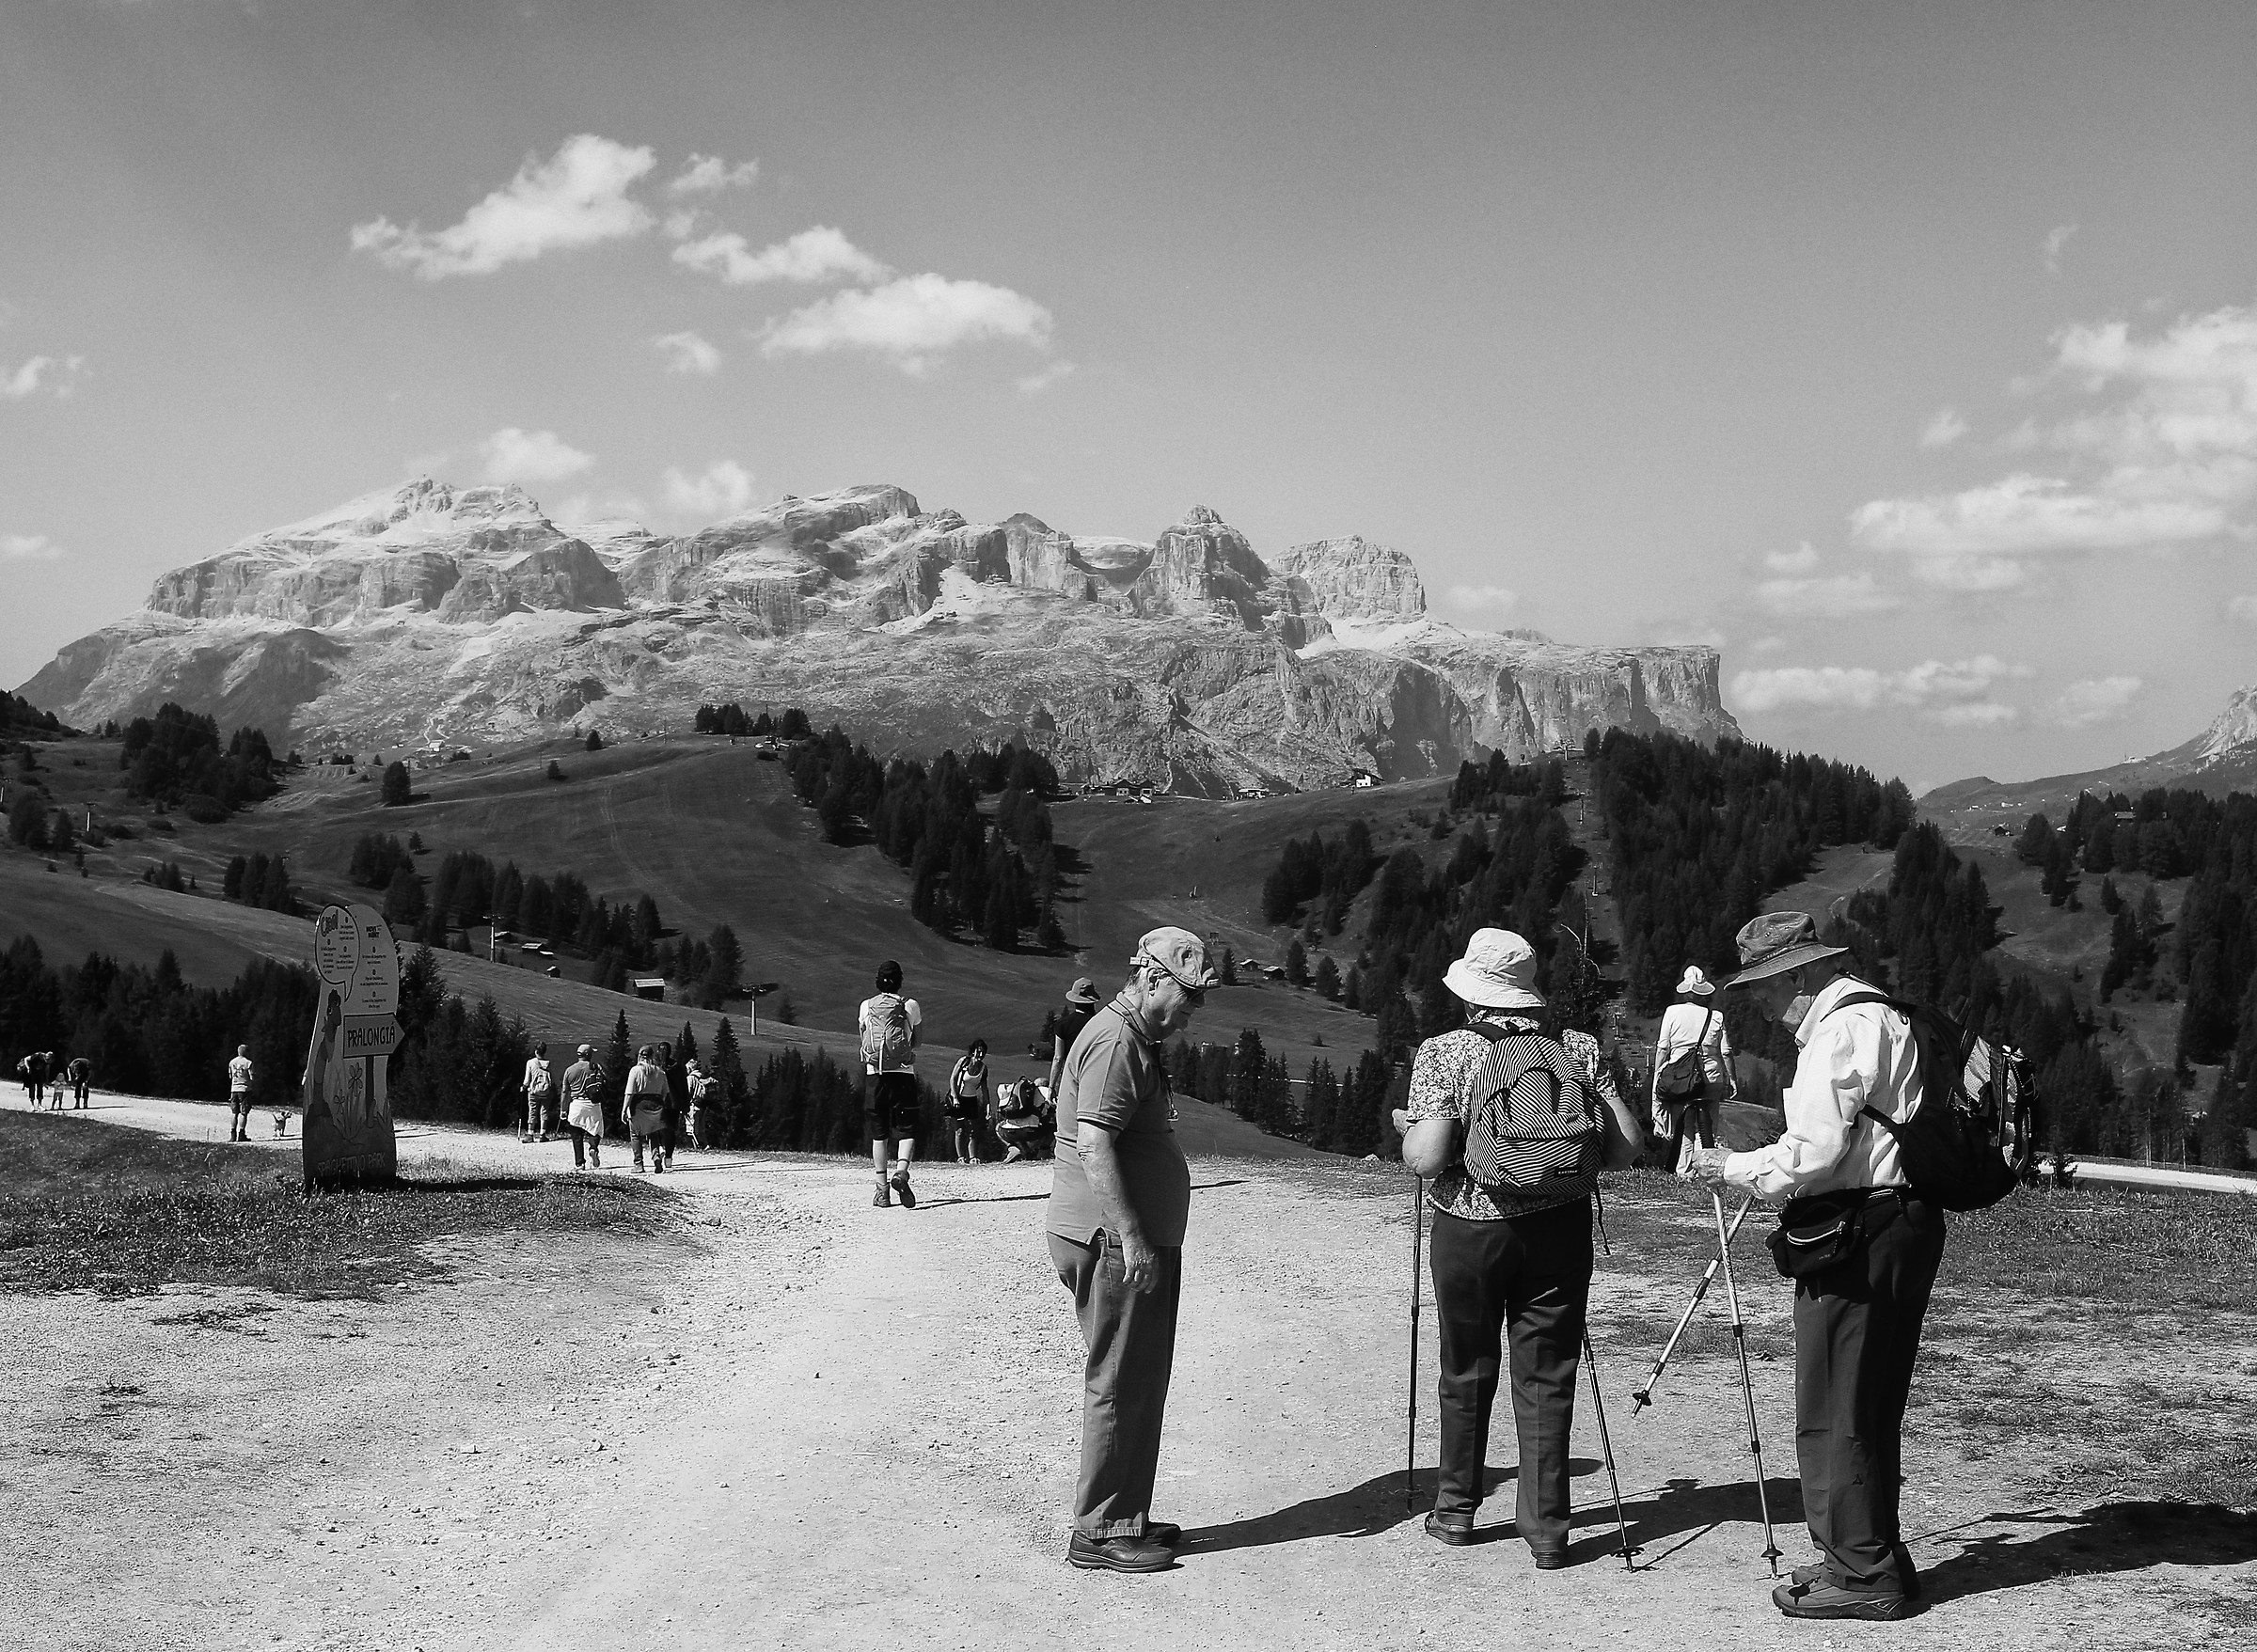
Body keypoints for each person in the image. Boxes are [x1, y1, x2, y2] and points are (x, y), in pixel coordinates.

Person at [1682, 911, 1939, 1622]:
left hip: (1857, 1230)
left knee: (1834, 1404)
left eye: (1764, 988)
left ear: (1799, 974)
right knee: (1872, 1399)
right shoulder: (1883, 1014)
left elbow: (1816, 1152)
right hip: (1903, 1219)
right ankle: (1869, 1548)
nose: (1760, 1004)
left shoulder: (1838, 1030)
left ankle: (1859, 1573)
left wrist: (1729, 1164)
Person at [1392, 928, 1645, 1562]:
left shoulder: (1447, 1050)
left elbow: (1426, 1159)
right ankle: (1549, 1531)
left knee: (1467, 1367)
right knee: (1548, 1373)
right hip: (1558, 1229)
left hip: (1471, 1230)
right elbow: (1625, 1146)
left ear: (1472, 994)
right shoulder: (1577, 1046)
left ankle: (1455, 1511)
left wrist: (1411, 1127)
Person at [1046, 926, 1217, 1574]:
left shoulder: (1133, 1037)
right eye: (1188, 996)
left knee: (1139, 1375)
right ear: (1150, 978)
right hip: (1111, 1238)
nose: (1192, 1012)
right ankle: (1099, 1529)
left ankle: (1127, 1512)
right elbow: (1095, 1143)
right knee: (1119, 1378)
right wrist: (1134, 1235)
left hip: (1121, 1237)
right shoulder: (1117, 1040)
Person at [1651, 965, 1737, 1169]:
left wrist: (1658, 1073)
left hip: (1681, 1078)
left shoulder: (1672, 1012)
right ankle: (1704, 1168)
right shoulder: (1715, 1016)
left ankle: (1684, 1170)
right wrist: (1731, 1079)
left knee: (1685, 1127)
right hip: (1710, 1078)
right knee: (1708, 1126)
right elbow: (1725, 1052)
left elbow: (1663, 1048)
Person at [859, 960, 924, 1208]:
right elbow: (917, 1041)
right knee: (906, 1129)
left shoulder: (866, 1006)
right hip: (903, 1074)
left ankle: (882, 1191)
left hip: (875, 1074)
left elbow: (864, 1037)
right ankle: (902, 1171)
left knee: (879, 1134)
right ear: (900, 981)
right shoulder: (909, 1005)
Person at [1047, 977, 1101, 1101]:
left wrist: (1051, 1087)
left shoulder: (1063, 1024)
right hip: (1096, 1076)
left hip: (1071, 1076)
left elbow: (1058, 1058)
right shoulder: (1100, 1022)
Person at [623, 1045, 670, 1173]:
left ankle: (639, 1164)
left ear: (640, 1056)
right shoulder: (660, 1072)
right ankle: (656, 1158)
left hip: (639, 1104)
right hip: (656, 1103)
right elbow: (665, 1092)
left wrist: (624, 1109)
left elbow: (629, 1092)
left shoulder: (636, 1070)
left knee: (635, 1134)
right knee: (653, 1133)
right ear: (652, 1056)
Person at [945, 1041, 990, 1164]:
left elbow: (984, 1089)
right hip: (958, 1099)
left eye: (983, 1052)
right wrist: (954, 1097)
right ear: (973, 1051)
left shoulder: (983, 1069)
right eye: (978, 1051)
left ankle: (973, 1157)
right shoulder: (963, 1061)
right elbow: (953, 1078)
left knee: (973, 1130)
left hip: (972, 1100)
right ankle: (960, 1158)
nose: (980, 1054)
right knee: (959, 1130)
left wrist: (988, 1107)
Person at [563, 1043, 604, 1170]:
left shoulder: (570, 1070)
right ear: (588, 1054)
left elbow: (565, 1091)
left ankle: (580, 1163)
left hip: (576, 1104)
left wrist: (563, 1109)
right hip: (593, 1103)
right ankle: (593, 1148)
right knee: (596, 1130)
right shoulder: (596, 1067)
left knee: (576, 1135)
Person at [993, 1077, 1050, 1162]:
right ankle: (1043, 1154)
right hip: (1032, 1132)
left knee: (998, 1127)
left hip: (1009, 1132)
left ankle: (1013, 1149)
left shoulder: (1021, 1093)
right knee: (1054, 1127)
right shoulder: (1046, 1091)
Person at [521, 1041, 559, 1144]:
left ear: (536, 1051)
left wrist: (523, 1087)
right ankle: (542, 1134)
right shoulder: (549, 1064)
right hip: (546, 1091)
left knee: (532, 1111)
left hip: (534, 1091)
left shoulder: (531, 1062)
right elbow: (553, 1079)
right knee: (544, 1112)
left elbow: (527, 1079)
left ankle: (530, 1134)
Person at [227, 1044, 256, 1141]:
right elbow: (252, 1077)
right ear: (246, 1052)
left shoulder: (232, 1062)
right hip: (244, 1089)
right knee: (243, 1112)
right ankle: (241, 1134)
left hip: (234, 1089)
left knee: (234, 1112)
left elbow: (231, 1076)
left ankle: (232, 1134)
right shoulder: (248, 1063)